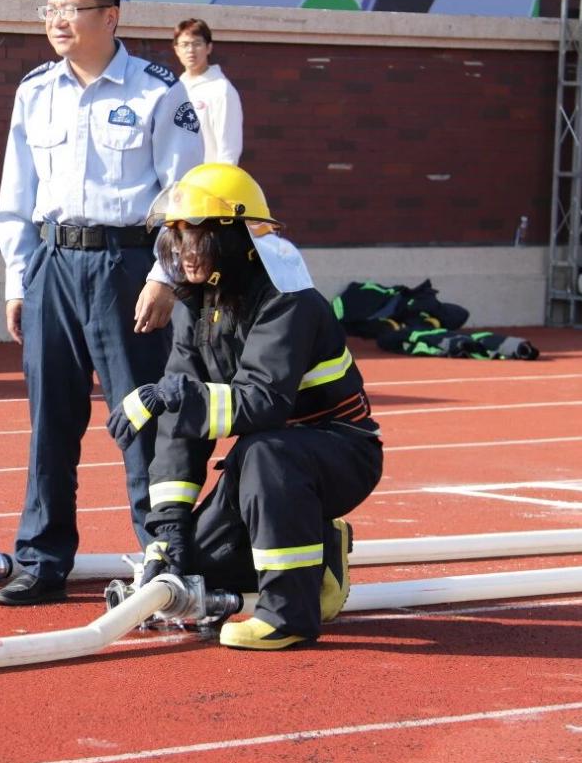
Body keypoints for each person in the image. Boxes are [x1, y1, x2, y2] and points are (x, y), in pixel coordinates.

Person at [0, 0, 205, 605]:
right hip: (52, 265)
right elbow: (15, 195)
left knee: (141, 419)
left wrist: (165, 276)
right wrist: (17, 279)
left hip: (127, 268)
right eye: (50, 9)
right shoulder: (34, 90)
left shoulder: (156, 91)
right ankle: (41, 560)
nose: (57, 20)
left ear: (110, 17)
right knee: (49, 423)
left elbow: (185, 195)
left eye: (71, 9)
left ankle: (163, 558)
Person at [105, 163, 383, 649]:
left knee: (265, 451)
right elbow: (182, 426)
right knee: (198, 565)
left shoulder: (287, 300)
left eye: (199, 236)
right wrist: (167, 532)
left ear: (238, 237)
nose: (185, 251)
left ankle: (288, 618)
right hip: (268, 464)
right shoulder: (196, 303)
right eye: (177, 236)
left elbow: (262, 402)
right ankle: (321, 551)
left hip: (339, 452)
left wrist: (172, 395)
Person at [173, 18, 242, 165]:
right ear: (177, 50)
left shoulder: (221, 90)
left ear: (209, 48)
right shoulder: (175, 88)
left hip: (208, 176)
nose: (190, 50)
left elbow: (229, 151)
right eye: (185, 44)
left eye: (197, 44)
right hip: (179, 177)